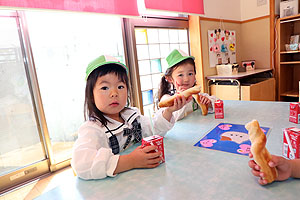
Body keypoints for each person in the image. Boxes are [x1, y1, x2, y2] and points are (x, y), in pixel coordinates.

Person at [71, 55, 188, 180]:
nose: (114, 93)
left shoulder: (131, 116)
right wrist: (131, 161)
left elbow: (154, 129)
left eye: (120, 86)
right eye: (105, 87)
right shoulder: (93, 129)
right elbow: (82, 165)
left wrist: (169, 111)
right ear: (91, 95)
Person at [157, 49, 217, 121]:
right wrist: (182, 99)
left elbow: (218, 103)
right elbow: (171, 120)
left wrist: (209, 103)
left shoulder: (196, 96)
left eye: (190, 74)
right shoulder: (167, 99)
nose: (186, 79)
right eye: (180, 75)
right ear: (170, 78)